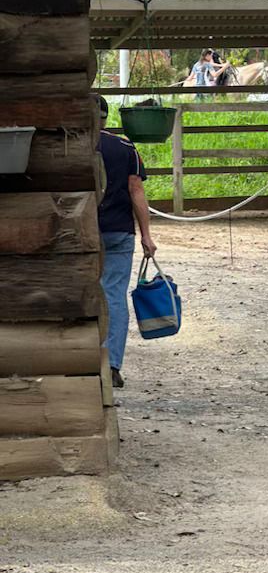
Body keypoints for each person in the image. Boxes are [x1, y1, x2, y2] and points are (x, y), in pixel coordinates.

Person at [96, 95, 157, 388]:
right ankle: (112, 365)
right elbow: (136, 191)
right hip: (119, 231)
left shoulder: (72, 146)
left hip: (81, 232)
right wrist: (146, 234)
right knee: (114, 296)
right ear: (107, 118)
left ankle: (80, 359)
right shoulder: (126, 147)